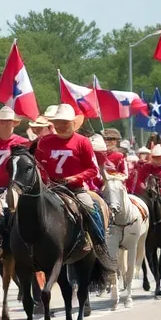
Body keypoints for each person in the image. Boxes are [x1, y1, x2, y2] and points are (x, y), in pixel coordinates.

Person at [34, 104, 110, 248]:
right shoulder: (44, 142)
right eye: (57, 122)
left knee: (90, 207)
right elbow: (37, 165)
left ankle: (99, 245)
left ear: (73, 123)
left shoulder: (83, 142)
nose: (60, 126)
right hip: (49, 188)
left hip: (74, 189)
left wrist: (74, 178)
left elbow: (93, 169)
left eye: (64, 122)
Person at [0, 106, 30, 195]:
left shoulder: (23, 143)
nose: (4, 125)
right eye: (1, 122)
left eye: (8, 122)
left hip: (14, 189)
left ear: (14, 123)